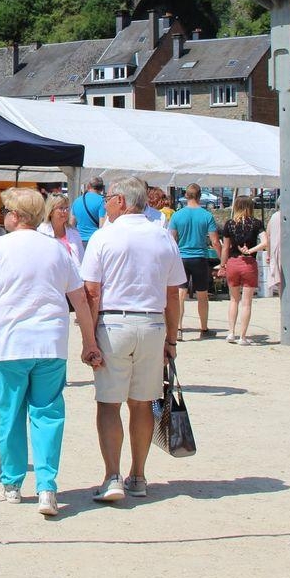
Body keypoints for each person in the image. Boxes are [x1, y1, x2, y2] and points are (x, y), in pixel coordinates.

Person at [0, 188, 98, 517]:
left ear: (16, 215)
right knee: (48, 414)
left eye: (5, 211)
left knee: (10, 414)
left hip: (12, 343)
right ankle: (46, 486)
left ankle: (13, 482)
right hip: (50, 343)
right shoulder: (58, 250)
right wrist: (89, 341)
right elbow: (80, 299)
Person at [79, 176, 184, 503]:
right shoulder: (163, 236)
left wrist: (88, 340)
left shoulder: (103, 237)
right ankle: (138, 475)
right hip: (152, 324)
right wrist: (171, 340)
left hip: (114, 324)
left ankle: (112, 476)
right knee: (142, 403)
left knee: (109, 403)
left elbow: (92, 292)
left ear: (121, 201)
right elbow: (173, 294)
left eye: (108, 198)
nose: (105, 203)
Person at [169, 184, 220, 338]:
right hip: (200, 257)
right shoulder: (207, 215)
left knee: (180, 294)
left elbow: (171, 239)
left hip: (182, 257)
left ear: (186, 196)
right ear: (200, 196)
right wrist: (222, 259)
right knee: (202, 294)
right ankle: (203, 328)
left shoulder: (177, 215)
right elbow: (215, 242)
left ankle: (178, 329)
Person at [218, 195, 267, 345]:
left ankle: (231, 332)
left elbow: (225, 248)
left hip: (233, 263)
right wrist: (251, 250)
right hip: (248, 263)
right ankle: (242, 336)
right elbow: (266, 242)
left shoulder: (230, 224)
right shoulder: (256, 223)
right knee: (246, 302)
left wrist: (222, 265)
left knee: (233, 300)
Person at [38, 194, 85, 265]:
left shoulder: (74, 232)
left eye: (67, 208)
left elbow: (81, 259)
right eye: (61, 208)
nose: (65, 211)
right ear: (51, 211)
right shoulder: (41, 232)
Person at [71, 177, 107, 246]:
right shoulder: (102, 201)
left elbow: (71, 224)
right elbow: (102, 226)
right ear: (102, 188)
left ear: (88, 186)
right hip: (93, 241)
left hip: (78, 240)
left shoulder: (77, 201)